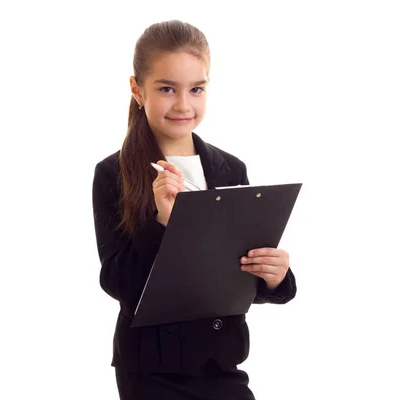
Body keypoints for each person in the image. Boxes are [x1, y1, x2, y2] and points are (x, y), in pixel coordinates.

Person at [92, 19, 297, 400]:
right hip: (151, 370)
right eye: (167, 89)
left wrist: (274, 277)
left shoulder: (229, 169)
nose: (183, 104)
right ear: (138, 90)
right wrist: (163, 223)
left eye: (196, 89)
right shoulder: (113, 173)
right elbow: (117, 282)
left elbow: (230, 276)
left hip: (222, 362)